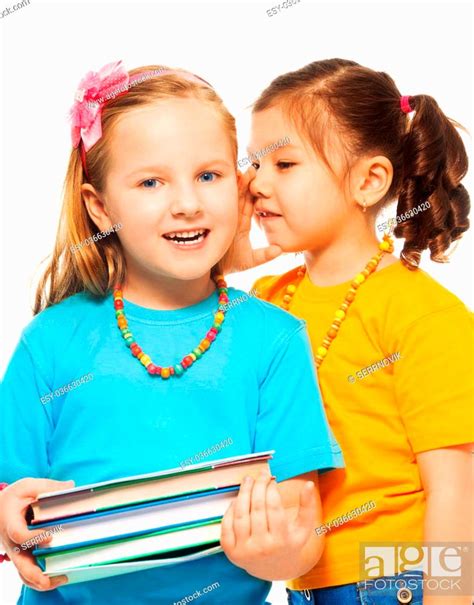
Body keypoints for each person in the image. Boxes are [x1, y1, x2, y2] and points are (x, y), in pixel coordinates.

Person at [0, 60, 344, 605]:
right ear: (99, 206)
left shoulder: (274, 340)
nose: (187, 202)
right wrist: (10, 519)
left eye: (209, 175)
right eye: (151, 181)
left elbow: (301, 542)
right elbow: (9, 496)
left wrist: (274, 552)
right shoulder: (50, 340)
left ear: (239, 185)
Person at [232, 58, 473, 604]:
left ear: (369, 181)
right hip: (304, 583)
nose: (256, 183)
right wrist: (224, 259)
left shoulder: (422, 312)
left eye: (285, 164)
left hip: (400, 580)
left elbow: (455, 490)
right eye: (254, 163)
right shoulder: (265, 298)